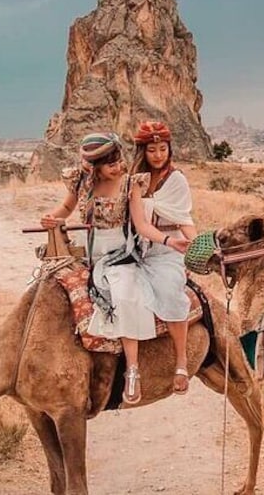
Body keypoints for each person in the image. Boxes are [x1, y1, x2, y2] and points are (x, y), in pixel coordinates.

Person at [40, 132, 189, 404]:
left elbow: (142, 226)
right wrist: (51, 218)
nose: (119, 167)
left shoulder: (130, 185)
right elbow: (65, 208)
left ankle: (132, 370)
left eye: (120, 161)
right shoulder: (81, 183)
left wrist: (170, 240)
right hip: (87, 251)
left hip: (120, 254)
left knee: (126, 294)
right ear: (95, 167)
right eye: (111, 164)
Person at [129, 120, 198, 395]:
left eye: (162, 149)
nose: (158, 155)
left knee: (170, 290)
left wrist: (195, 244)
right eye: (152, 150)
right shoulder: (134, 180)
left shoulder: (176, 179)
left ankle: (181, 359)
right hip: (135, 247)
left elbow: (184, 218)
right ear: (142, 152)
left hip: (169, 249)